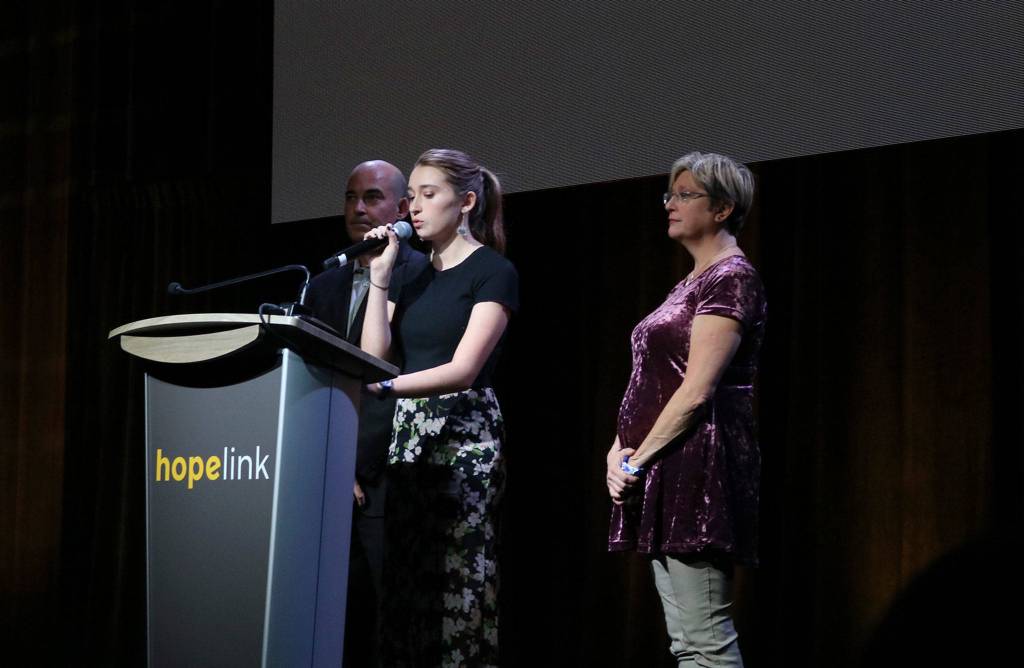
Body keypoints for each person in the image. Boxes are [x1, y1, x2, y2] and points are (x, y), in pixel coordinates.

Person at [606, 152, 766, 667]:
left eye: (684, 195)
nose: (670, 205)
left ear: (723, 208)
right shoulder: (690, 283)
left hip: (699, 469)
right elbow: (648, 382)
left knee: (706, 640)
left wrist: (635, 459)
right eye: (668, 195)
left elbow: (697, 391)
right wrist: (617, 452)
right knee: (685, 644)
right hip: (663, 468)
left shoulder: (731, 278)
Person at [359, 148, 518, 667]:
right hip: (409, 435)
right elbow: (371, 355)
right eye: (411, 198)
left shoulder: (493, 271)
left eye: (430, 196)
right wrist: (381, 275)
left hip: (463, 436)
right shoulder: (408, 274)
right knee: (406, 579)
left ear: (467, 202)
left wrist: (388, 389)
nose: (414, 209)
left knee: (458, 577)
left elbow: (464, 368)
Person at [304, 159, 427, 667]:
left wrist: (355, 463)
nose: (358, 207)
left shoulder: (421, 275)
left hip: (385, 473)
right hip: (323, 472)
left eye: (373, 197)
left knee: (385, 616)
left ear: (401, 209)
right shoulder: (323, 282)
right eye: (351, 196)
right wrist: (328, 459)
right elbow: (313, 376)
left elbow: (395, 381)